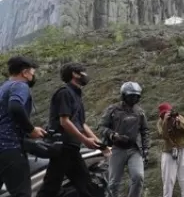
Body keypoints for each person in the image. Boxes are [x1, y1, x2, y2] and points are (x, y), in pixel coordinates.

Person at [37, 62, 110, 197]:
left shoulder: (76, 95)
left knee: (87, 187)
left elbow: (81, 124)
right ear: (74, 74)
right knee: (50, 188)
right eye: (83, 72)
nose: (86, 75)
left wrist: (100, 144)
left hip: (71, 148)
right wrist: (85, 140)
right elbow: (64, 122)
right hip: (62, 147)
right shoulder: (64, 93)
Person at [0, 56, 46, 197]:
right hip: (10, 147)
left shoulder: (3, 87)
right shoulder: (20, 86)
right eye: (32, 72)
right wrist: (31, 130)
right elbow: (15, 107)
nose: (33, 76)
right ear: (25, 72)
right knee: (22, 193)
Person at [99, 81, 150, 197]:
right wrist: (113, 135)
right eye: (131, 96)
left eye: (136, 96)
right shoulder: (112, 110)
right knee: (113, 183)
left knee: (138, 177)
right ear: (124, 96)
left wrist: (146, 149)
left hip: (134, 149)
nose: (133, 99)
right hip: (116, 149)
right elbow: (102, 127)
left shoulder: (140, 112)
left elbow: (145, 131)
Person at [157, 102, 184, 197]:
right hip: (168, 152)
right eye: (165, 113)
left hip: (183, 149)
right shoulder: (160, 122)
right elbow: (163, 136)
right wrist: (165, 122)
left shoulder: (179, 117)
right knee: (168, 182)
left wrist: (179, 123)